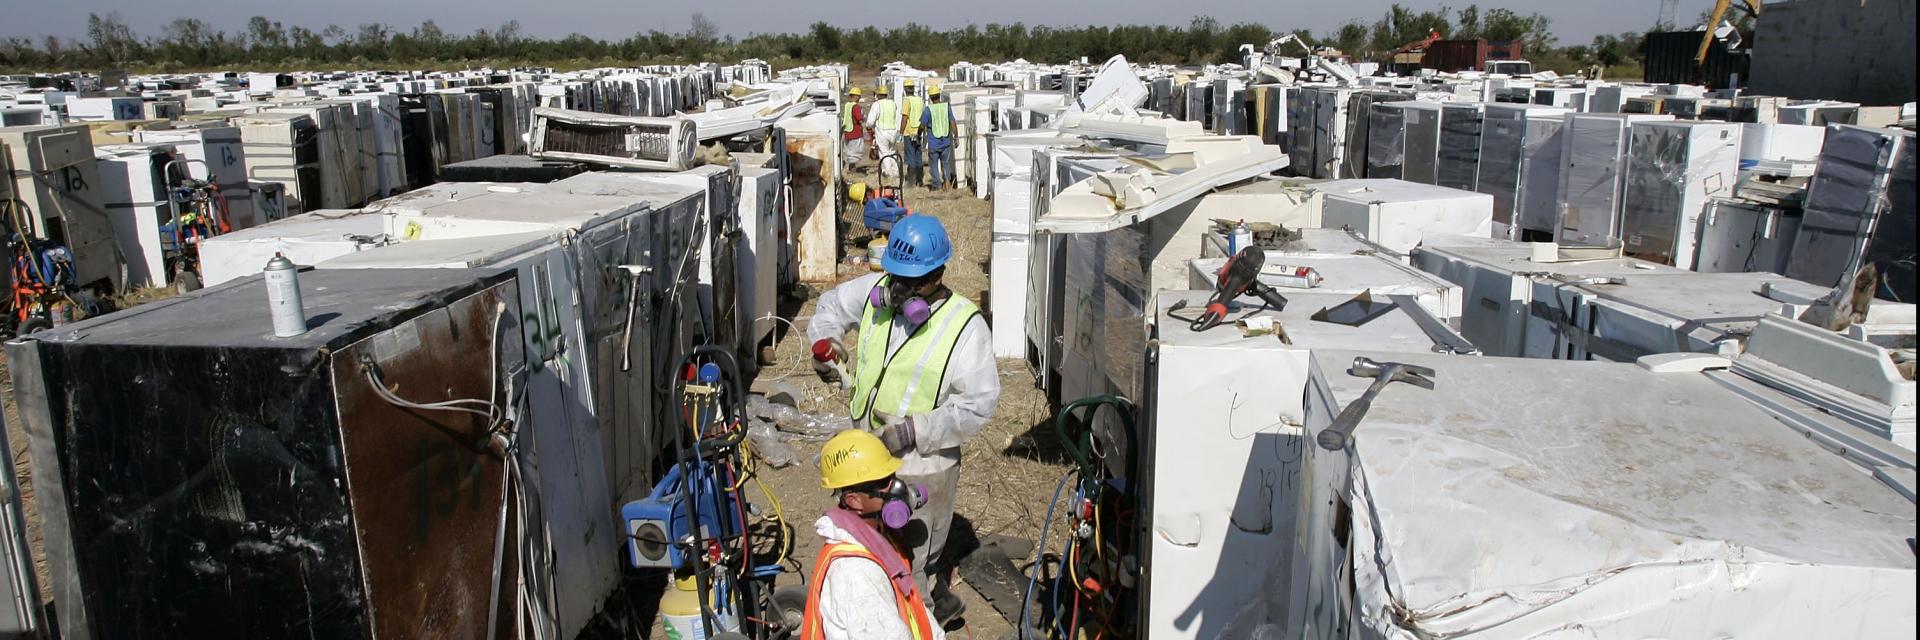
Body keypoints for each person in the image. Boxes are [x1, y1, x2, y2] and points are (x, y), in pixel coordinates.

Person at [808, 214, 995, 626]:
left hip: (922, 467)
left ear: (939, 274)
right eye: (898, 278)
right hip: (865, 457)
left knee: (910, 569)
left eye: (916, 283)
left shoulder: (964, 327)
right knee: (870, 555)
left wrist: (915, 430)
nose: (903, 290)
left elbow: (979, 404)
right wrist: (828, 344)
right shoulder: (878, 293)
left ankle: (918, 620)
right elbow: (829, 307)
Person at [801, 429, 946, 640]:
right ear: (854, 500)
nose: (897, 487)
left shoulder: (877, 537)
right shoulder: (856, 575)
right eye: (883, 483)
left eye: (892, 477)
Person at [919, 85, 956, 191]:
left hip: (933, 143)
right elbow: (952, 122)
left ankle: (937, 185)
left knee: (934, 165)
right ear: (939, 95)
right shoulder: (946, 107)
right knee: (946, 163)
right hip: (946, 141)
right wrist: (956, 136)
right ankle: (947, 182)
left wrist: (918, 134)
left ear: (930, 97)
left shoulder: (928, 110)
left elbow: (922, 125)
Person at [866, 85, 901, 179]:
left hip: (882, 132)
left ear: (878, 94)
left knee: (884, 152)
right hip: (893, 132)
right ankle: (895, 171)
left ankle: (888, 172)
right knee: (892, 151)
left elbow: (870, 121)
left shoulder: (877, 104)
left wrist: (868, 127)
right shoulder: (893, 103)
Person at [899, 79, 927, 187]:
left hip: (909, 132)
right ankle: (919, 180)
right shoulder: (919, 100)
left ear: (905, 89)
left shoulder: (907, 100)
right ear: (913, 88)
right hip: (918, 132)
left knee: (910, 156)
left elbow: (904, 118)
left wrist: (901, 132)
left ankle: (911, 181)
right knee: (918, 156)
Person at [841, 86, 867, 174]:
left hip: (847, 131)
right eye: (859, 96)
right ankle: (852, 170)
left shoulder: (847, 105)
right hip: (855, 132)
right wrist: (864, 121)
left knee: (849, 151)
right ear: (855, 96)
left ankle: (850, 169)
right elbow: (859, 119)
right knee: (855, 152)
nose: (859, 98)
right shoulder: (856, 107)